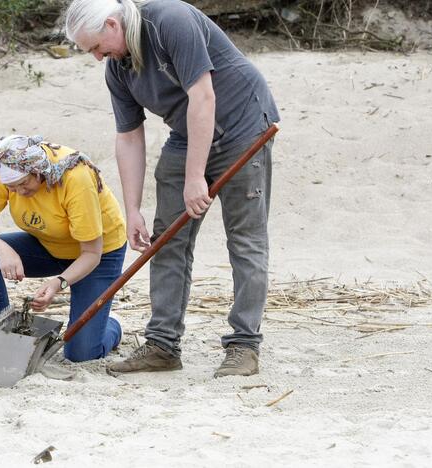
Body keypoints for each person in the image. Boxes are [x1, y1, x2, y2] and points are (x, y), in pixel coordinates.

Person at [64, 0, 279, 377]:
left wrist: (196, 176)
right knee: (166, 240)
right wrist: (132, 209)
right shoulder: (118, 69)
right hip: (187, 133)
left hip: (243, 127)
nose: (98, 58)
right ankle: (162, 345)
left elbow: (203, 95)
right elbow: (128, 136)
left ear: (112, 24)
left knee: (245, 240)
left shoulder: (170, 20)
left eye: (96, 47)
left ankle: (244, 346)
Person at [0, 135, 128, 362]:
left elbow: (91, 254)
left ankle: (112, 324)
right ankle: (2, 343)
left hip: (97, 254)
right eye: (12, 188)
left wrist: (57, 283)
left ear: (38, 169)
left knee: (81, 354)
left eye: (24, 183)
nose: (19, 192)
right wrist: (4, 251)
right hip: (49, 244)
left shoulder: (75, 178)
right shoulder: (4, 165)